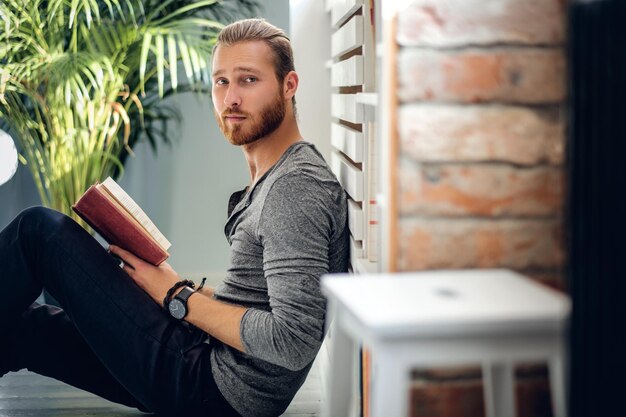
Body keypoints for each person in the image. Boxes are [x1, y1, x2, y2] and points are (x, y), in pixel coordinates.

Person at [0, 18, 349, 417]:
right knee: (20, 330)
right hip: (206, 364)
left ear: (289, 86)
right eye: (221, 81)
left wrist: (176, 296)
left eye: (248, 80)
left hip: (211, 389)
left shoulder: (295, 187)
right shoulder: (277, 177)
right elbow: (255, 306)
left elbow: (292, 339)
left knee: (39, 232)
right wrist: (179, 289)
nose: (231, 98)